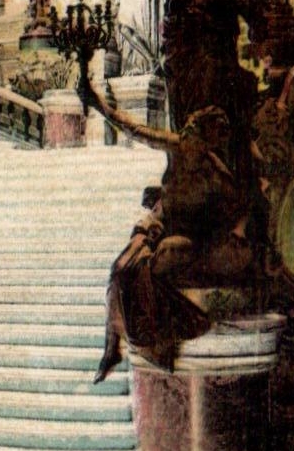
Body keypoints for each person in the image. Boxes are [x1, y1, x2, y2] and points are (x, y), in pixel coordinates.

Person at [79, 73, 257, 380]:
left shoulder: (215, 172)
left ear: (209, 141)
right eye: (188, 131)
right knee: (120, 268)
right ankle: (111, 348)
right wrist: (98, 104)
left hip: (187, 235)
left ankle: (146, 340)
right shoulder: (177, 146)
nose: (187, 138)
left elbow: (243, 203)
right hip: (158, 222)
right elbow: (133, 129)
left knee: (155, 263)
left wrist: (237, 231)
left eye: (196, 134)